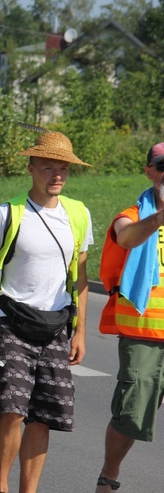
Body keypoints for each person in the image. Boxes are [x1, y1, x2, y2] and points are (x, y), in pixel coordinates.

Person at [0, 131, 93, 493]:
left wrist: (81, 332)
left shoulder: (78, 215)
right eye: (49, 167)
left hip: (56, 327)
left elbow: (81, 279)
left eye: (63, 168)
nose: (57, 175)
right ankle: (0, 487)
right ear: (31, 168)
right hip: (12, 323)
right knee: (13, 409)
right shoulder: (7, 214)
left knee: (43, 418)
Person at [94, 142, 164, 493]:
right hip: (145, 334)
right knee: (131, 414)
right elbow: (126, 238)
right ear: (149, 171)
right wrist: (160, 216)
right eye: (163, 165)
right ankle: (109, 477)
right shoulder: (133, 215)